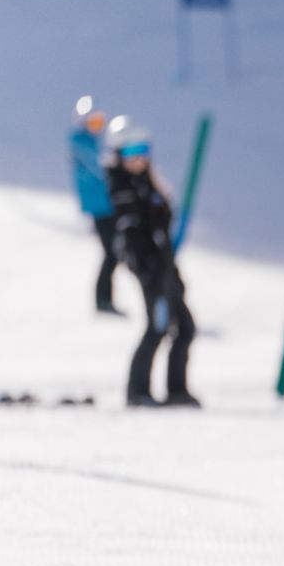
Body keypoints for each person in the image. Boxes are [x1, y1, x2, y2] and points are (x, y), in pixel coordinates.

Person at [104, 116, 201, 408]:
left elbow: (163, 223)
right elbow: (131, 237)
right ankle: (138, 392)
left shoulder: (147, 184)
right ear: (118, 155)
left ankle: (177, 390)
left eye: (143, 150)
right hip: (151, 273)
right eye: (131, 152)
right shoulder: (122, 189)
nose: (139, 159)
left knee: (185, 328)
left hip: (166, 269)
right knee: (157, 327)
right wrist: (147, 270)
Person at [69, 97, 122, 315]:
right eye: (94, 122)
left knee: (114, 252)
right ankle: (103, 301)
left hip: (107, 205)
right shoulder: (82, 142)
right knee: (111, 252)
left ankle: (106, 300)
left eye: (100, 122)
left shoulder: (96, 142)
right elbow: (101, 167)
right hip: (100, 206)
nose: (98, 126)